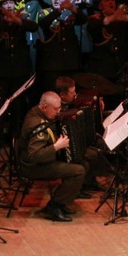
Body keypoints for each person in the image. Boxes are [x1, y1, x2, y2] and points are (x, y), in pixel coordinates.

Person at [18, 91, 86, 222]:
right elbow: (34, 155)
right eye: (56, 109)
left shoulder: (36, 111)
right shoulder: (37, 123)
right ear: (44, 107)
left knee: (82, 162)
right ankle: (54, 206)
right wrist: (56, 147)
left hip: (43, 160)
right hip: (34, 166)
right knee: (78, 171)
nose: (58, 112)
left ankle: (61, 203)